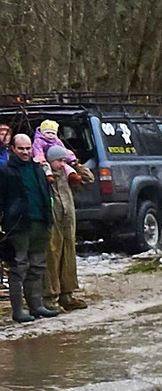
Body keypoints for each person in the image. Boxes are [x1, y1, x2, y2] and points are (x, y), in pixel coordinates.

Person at [2, 133, 58, 322]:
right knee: (19, 266)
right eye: (21, 149)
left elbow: (45, 193)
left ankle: (36, 306)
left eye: (27, 148)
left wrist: (48, 217)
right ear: (13, 149)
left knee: (38, 265)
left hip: (40, 222)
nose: (25, 152)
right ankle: (18, 311)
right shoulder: (5, 171)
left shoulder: (38, 169)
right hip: (18, 224)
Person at [34, 122, 85, 312]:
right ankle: (50, 297)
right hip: (52, 221)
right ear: (50, 160)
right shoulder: (42, 176)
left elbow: (88, 179)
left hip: (68, 221)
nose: (62, 163)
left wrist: (74, 164)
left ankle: (67, 294)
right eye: (59, 161)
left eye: (63, 160)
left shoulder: (65, 175)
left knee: (68, 255)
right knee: (52, 256)